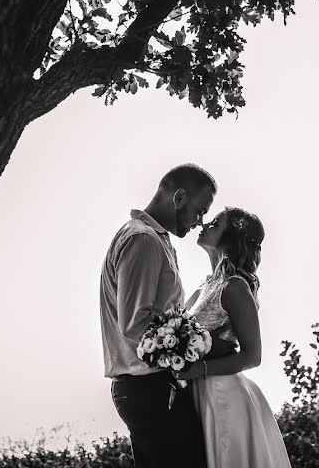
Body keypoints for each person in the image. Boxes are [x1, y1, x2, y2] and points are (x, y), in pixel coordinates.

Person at [99, 163, 216, 468]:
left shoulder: (154, 239)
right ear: (178, 198)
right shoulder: (144, 240)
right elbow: (135, 323)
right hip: (148, 390)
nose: (199, 222)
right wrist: (188, 355)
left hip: (148, 388)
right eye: (199, 211)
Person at [177, 207, 293, 468]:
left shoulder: (235, 286)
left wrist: (200, 369)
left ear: (230, 238)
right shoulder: (202, 287)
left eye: (215, 223)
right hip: (197, 393)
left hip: (224, 397)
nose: (204, 224)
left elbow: (253, 356)